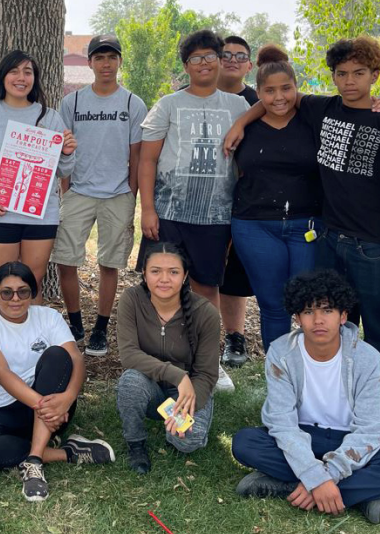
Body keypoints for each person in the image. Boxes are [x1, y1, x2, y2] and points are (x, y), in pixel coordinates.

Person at [225, 36, 380, 414]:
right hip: (329, 238)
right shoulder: (321, 109)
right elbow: (273, 99)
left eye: (359, 73)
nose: (349, 81)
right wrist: (242, 121)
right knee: (339, 323)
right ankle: (340, 396)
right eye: (341, 74)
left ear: (375, 75)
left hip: (375, 244)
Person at [231, 270, 380, 525]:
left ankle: (291, 487)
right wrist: (316, 475)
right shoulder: (281, 352)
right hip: (306, 436)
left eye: (327, 311)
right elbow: (281, 422)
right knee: (245, 443)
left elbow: (372, 428)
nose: (318, 320)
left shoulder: (368, 359)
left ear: (343, 315)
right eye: (309, 312)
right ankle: (362, 495)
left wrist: (327, 474)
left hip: (352, 439)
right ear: (297, 317)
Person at [137, 29, 248, 393]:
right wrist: (148, 209)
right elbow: (148, 160)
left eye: (210, 56)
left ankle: (209, 364)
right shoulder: (168, 104)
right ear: (186, 66)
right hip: (170, 212)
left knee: (205, 289)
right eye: (196, 58)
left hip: (216, 216)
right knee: (162, 287)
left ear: (220, 60)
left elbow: (269, 108)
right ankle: (160, 362)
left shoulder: (237, 107)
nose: (204, 64)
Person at [0, 261, 114, 502]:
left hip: (55, 403)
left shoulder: (48, 316)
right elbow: (2, 374)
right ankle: (67, 453)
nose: (15, 299)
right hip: (2, 409)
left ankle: (33, 461)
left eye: (23, 291)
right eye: (6, 292)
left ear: (33, 294)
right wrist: (46, 408)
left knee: (58, 355)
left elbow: (76, 359)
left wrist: (67, 399)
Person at [53, 34, 147, 357]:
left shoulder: (133, 104)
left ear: (120, 61)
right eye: (99, 57)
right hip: (78, 191)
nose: (106, 63)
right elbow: (64, 149)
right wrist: (67, 189)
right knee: (65, 260)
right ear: (90, 62)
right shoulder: (73, 102)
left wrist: (131, 194)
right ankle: (75, 323)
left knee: (110, 263)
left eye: (112, 57)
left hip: (117, 194)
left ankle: (100, 329)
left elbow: (136, 155)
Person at [0, 50, 76, 308]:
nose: (21, 78)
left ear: (35, 78)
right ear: (3, 76)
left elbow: (63, 170)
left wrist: (67, 153)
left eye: (28, 72)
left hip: (40, 214)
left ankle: (32, 347)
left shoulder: (50, 117)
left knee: (31, 285)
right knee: (0, 286)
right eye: (14, 71)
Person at [231, 45, 323, 352]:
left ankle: (315, 376)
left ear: (297, 88)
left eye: (286, 88)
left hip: (307, 224)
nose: (278, 97)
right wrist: (242, 121)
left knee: (310, 305)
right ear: (257, 92)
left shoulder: (313, 119)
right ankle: (280, 380)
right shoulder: (248, 127)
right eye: (269, 91)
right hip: (254, 225)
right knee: (273, 305)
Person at [117, 242, 220, 474]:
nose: (164, 279)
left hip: (189, 391)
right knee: (130, 380)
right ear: (144, 273)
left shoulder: (205, 312)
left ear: (184, 276)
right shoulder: (131, 300)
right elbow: (129, 354)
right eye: (155, 271)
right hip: (149, 385)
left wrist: (185, 404)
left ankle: (175, 428)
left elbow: (206, 373)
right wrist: (176, 375)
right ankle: (135, 442)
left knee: (187, 442)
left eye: (173, 272)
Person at [217, 35, 258, 368]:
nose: (231, 60)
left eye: (239, 55)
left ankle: (234, 337)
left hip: (243, 200)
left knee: (233, 273)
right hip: (193, 203)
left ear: (250, 64)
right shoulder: (191, 95)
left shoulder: (259, 102)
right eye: (224, 54)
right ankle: (194, 334)